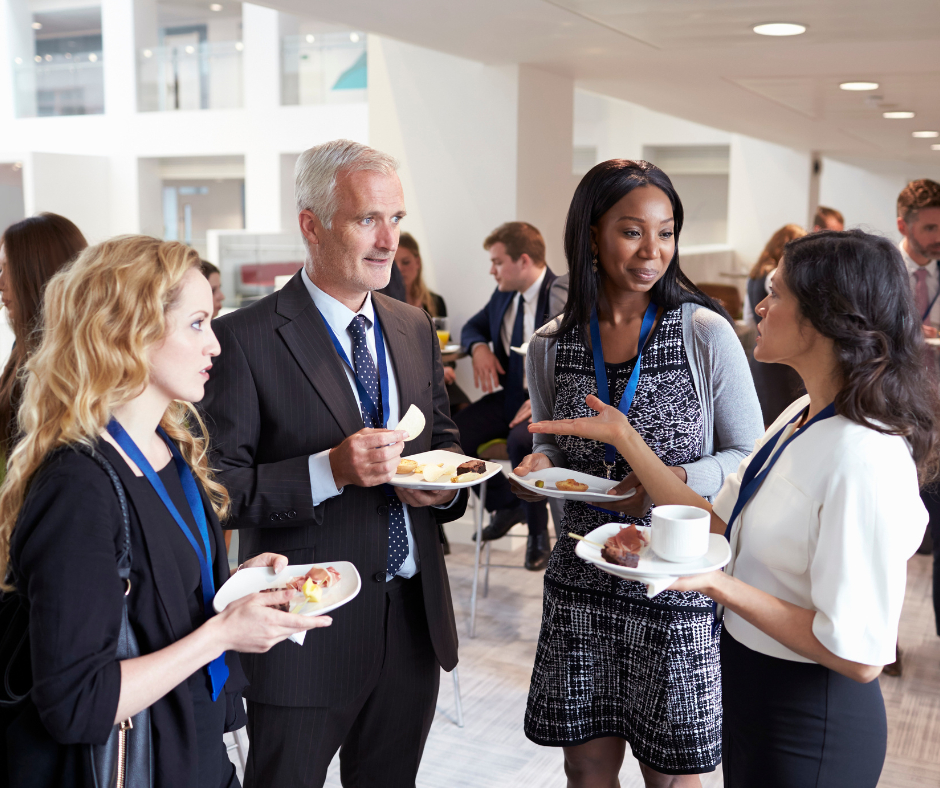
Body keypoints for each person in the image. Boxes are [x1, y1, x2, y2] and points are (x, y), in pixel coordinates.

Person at [532, 229, 938, 788]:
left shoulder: (864, 453)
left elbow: (860, 654)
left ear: (827, 316)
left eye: (777, 293)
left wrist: (716, 585)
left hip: (810, 716)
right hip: (753, 691)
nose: (761, 306)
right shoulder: (802, 414)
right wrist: (626, 438)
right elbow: (712, 520)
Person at [0, 235, 330, 788]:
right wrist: (222, 634)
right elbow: (77, 703)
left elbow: (160, 599)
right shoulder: (77, 486)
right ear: (131, 331)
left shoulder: (168, 449)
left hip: (197, 746)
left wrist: (232, 587)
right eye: (198, 323)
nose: (216, 346)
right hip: (140, 763)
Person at [200, 139, 468, 788]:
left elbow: (448, 443)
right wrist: (328, 470)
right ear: (311, 225)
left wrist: (442, 487)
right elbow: (218, 492)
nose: (387, 241)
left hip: (411, 625)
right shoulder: (243, 340)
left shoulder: (411, 326)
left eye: (396, 219)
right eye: (366, 219)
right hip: (305, 636)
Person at [512, 159, 763, 786]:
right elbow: (559, 451)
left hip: (673, 585)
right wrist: (545, 466)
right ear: (591, 234)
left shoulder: (704, 332)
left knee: (672, 775)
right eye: (632, 231)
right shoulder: (550, 344)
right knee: (585, 769)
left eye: (667, 231)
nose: (653, 251)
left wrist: (665, 476)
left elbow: (747, 459)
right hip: (581, 581)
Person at [455, 221, 568, 571]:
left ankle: (538, 537)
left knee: (525, 442)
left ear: (522, 260)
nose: (492, 270)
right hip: (510, 398)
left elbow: (574, 358)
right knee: (454, 434)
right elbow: (472, 327)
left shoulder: (562, 292)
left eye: (497, 262)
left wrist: (540, 401)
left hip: (547, 404)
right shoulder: (504, 294)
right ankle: (505, 504)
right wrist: (478, 349)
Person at [895, 178, 940, 677]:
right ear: (904, 225)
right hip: (896, 419)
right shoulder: (883, 274)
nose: (937, 236)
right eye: (929, 227)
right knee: (894, 538)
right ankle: (889, 639)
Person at [0, 213, 87, 459]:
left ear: (36, 273)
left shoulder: (81, 360)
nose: (1, 283)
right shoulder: (24, 347)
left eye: (8, 269)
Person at [394, 231, 470, 415]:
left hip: (437, 376)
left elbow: (445, 343)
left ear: (418, 263)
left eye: (406, 262)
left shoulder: (434, 302)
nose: (400, 270)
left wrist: (448, 368)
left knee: (465, 410)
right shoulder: (384, 305)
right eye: (394, 265)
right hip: (405, 381)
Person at [742, 224, 808, 426]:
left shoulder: (755, 274)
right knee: (780, 421)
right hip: (777, 363)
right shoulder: (775, 275)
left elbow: (747, 316)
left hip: (761, 349)